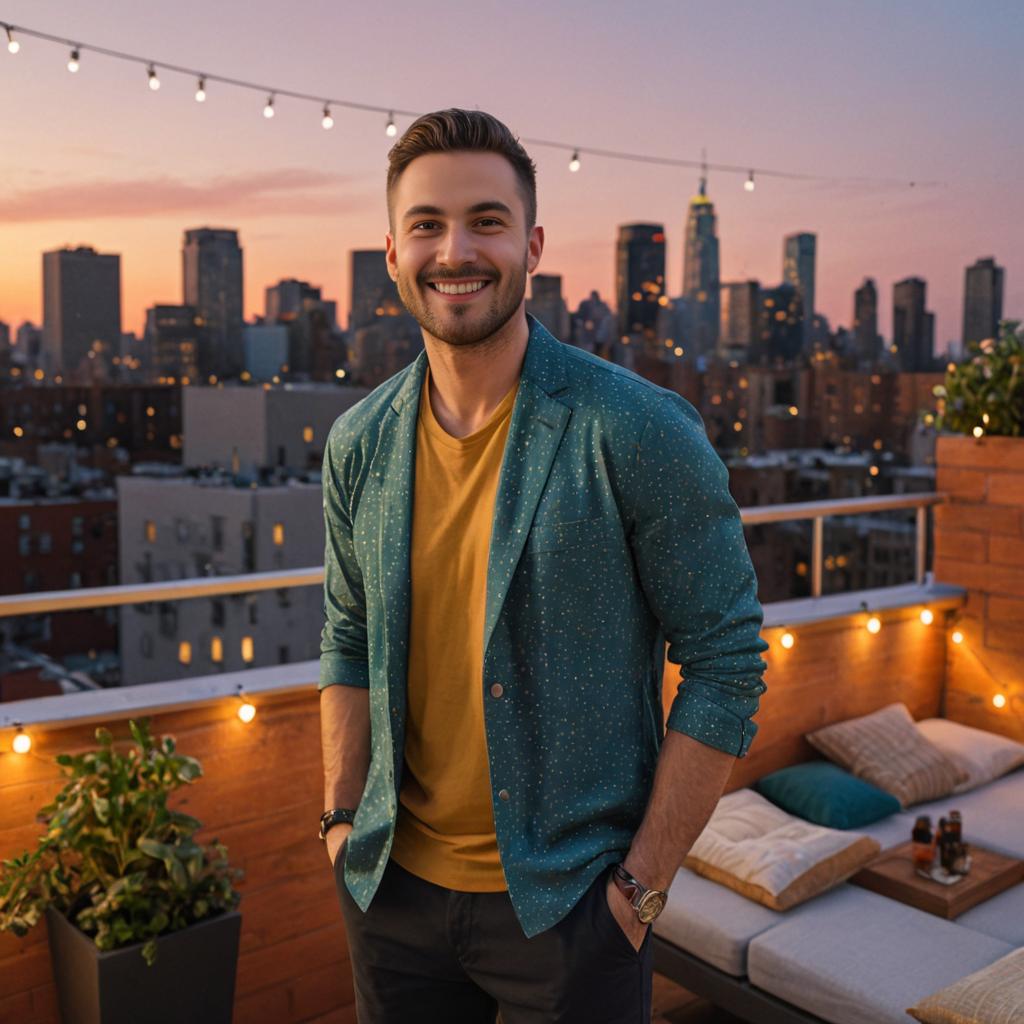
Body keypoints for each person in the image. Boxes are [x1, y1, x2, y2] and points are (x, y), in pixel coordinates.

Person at [318, 108, 769, 1023]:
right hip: (392, 895)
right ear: (393, 253)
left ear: (532, 244)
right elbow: (348, 635)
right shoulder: (358, 442)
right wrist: (338, 823)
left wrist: (638, 892)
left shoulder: (636, 429)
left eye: (486, 220)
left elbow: (726, 665)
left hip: (571, 912)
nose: (457, 250)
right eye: (427, 225)